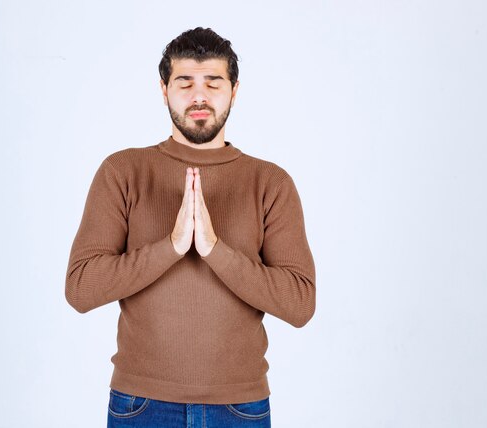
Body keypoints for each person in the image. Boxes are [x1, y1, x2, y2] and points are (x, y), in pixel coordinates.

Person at [65, 26, 316, 427]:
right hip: (140, 405)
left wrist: (215, 249)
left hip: (239, 408)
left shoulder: (270, 182)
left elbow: (300, 304)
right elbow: (80, 289)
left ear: (234, 91)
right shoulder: (123, 171)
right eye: (185, 83)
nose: (199, 96)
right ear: (163, 90)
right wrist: (172, 245)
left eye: (213, 83)